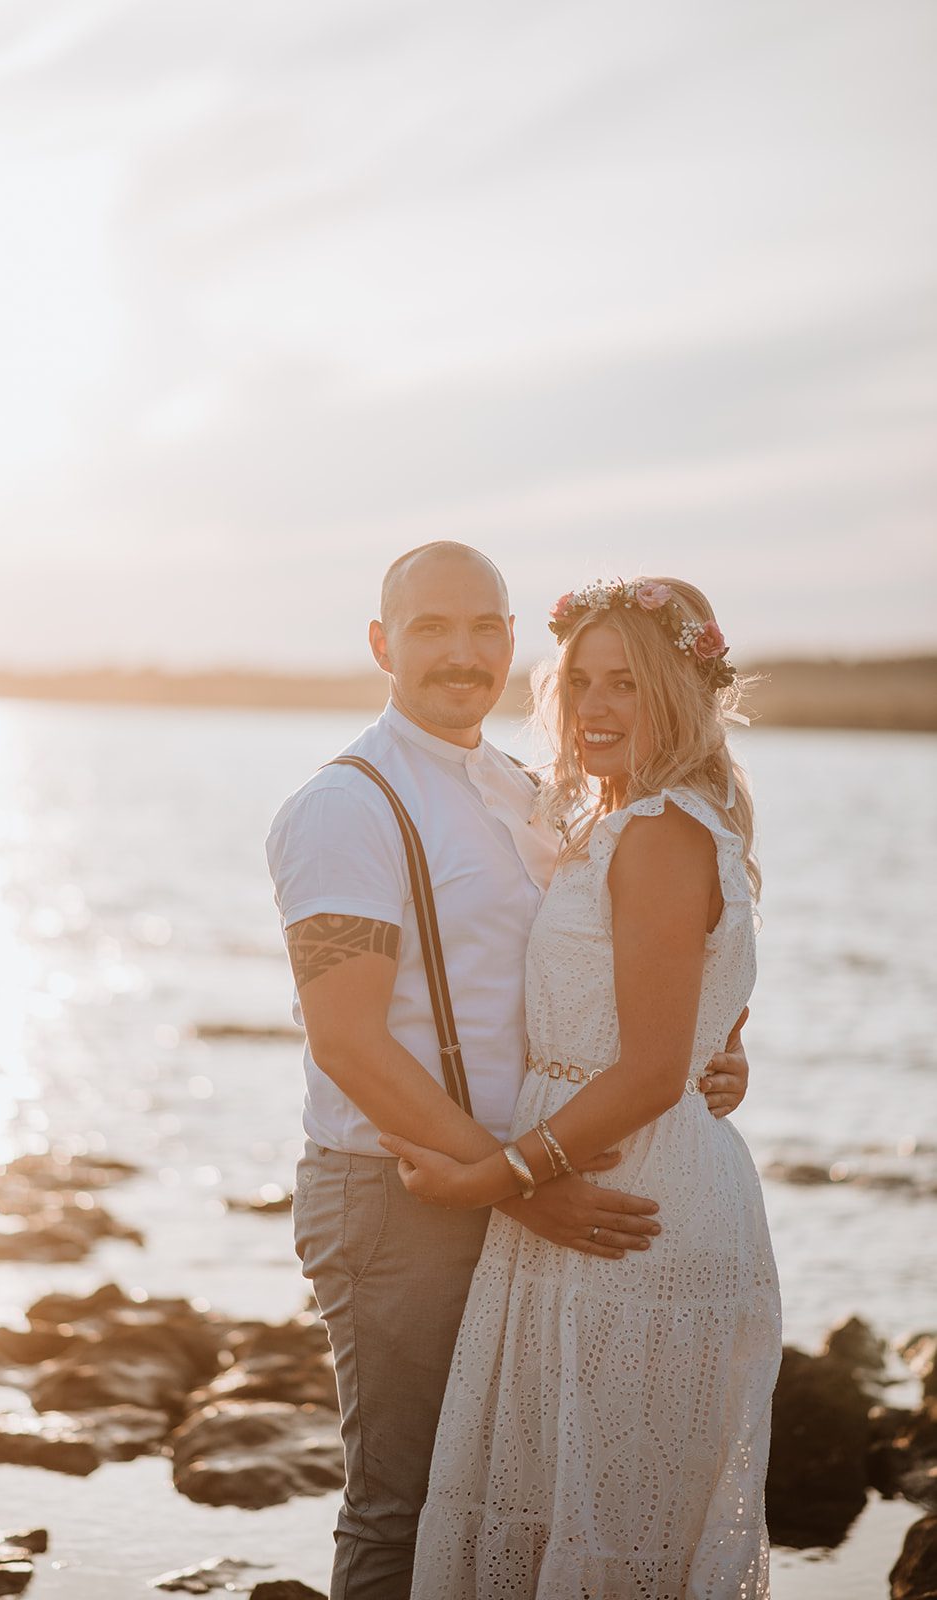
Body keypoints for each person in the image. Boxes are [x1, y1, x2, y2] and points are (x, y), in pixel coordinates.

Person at [265, 546, 750, 1600]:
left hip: (530, 1186)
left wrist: (721, 1040)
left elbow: (635, 962)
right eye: (432, 628)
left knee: (518, 1511)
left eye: (485, 626)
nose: (463, 652)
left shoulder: (530, 791)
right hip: (404, 1197)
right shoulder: (349, 806)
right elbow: (346, 1040)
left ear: (511, 639)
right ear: (383, 645)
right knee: (407, 1510)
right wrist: (523, 1184)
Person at [384, 576, 782, 1600]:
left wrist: (499, 1178)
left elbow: (653, 1069)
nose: (599, 708)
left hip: (626, 1196)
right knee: (583, 1503)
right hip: (624, 1164)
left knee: (605, 1518)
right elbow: (704, 1026)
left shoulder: (658, 831)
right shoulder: (654, 816)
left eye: (631, 686)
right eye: (584, 682)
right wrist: (718, 1058)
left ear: (684, 697)